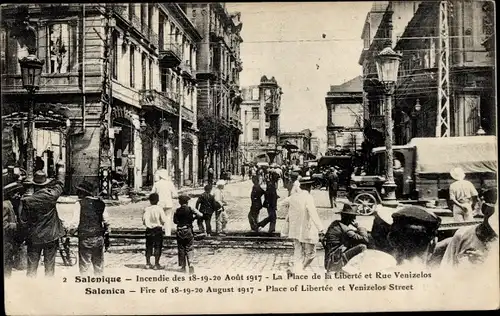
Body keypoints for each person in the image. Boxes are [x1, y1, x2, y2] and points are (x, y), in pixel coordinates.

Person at [19, 165, 66, 278]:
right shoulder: (52, 196)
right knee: (49, 267)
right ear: (46, 184)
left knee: (32, 267)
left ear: (34, 185)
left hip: (34, 237)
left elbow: (23, 221)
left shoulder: (27, 201)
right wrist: (59, 171)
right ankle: (48, 289)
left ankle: (32, 289)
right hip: (51, 236)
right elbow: (60, 185)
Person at [440, 187, 498, 268]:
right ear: (485, 208)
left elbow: (452, 199)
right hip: (466, 206)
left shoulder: (454, 186)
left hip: (459, 206)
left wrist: (487, 263)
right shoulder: (462, 235)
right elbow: (445, 270)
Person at [281, 177, 325, 273]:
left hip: (294, 230)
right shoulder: (308, 197)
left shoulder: (293, 197)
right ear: (308, 187)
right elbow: (313, 212)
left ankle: (296, 270)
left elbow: (282, 203)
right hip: (306, 229)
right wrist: (320, 228)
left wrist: (290, 213)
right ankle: (300, 270)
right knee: (311, 253)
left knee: (297, 251)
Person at [67, 181, 109, 275]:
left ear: (83, 193)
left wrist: (70, 232)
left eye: (79, 191)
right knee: (98, 265)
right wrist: (106, 232)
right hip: (98, 237)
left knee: (84, 266)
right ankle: (98, 286)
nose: (77, 193)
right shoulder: (101, 203)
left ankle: (85, 286)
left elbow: (75, 223)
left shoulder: (79, 204)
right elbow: (107, 221)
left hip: (85, 237)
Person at [323, 203, 370, 272]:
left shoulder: (336, 223)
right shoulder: (345, 229)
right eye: (353, 217)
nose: (355, 218)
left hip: (330, 259)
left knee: (354, 243)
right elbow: (365, 239)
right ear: (350, 218)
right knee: (362, 246)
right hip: (334, 262)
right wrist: (359, 227)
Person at [173, 195, 203, 273]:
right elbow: (200, 215)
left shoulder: (177, 210)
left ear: (180, 202)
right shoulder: (190, 209)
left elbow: (175, 221)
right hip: (188, 230)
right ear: (187, 202)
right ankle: (191, 264)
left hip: (179, 230)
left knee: (181, 248)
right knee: (189, 247)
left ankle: (183, 266)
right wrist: (193, 218)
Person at [142, 193, 168, 270]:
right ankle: (156, 264)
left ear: (149, 200)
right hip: (157, 229)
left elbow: (143, 220)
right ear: (158, 200)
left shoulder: (146, 209)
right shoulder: (159, 209)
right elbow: (164, 220)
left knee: (148, 246)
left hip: (149, 229)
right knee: (158, 246)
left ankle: (148, 263)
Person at [151, 169, 178, 236]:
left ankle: (158, 234)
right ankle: (167, 234)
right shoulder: (170, 183)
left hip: (159, 204)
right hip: (168, 203)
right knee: (168, 219)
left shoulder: (156, 184)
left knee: (158, 218)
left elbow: (152, 194)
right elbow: (175, 195)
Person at [3, 200, 18, 277]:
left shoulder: (8, 203)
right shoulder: (5, 205)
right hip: (5, 239)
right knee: (6, 263)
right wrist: (13, 225)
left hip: (9, 239)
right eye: (16, 193)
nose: (18, 195)